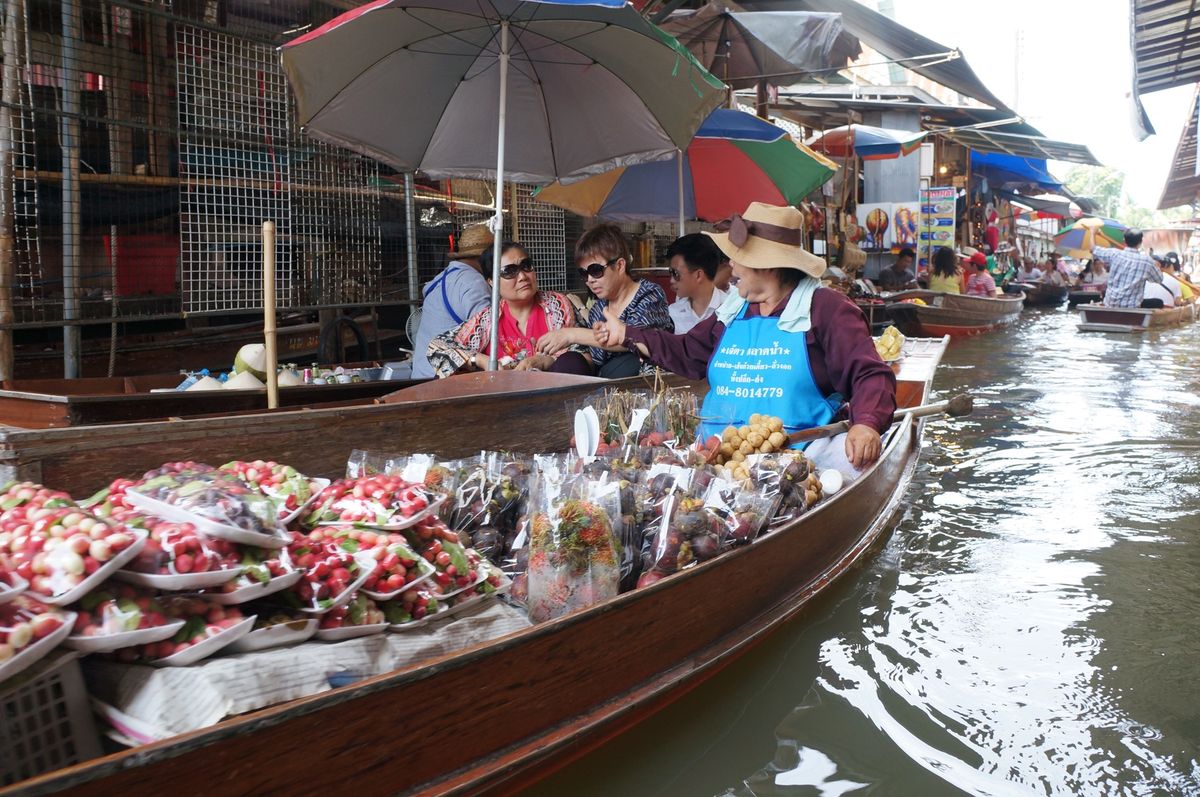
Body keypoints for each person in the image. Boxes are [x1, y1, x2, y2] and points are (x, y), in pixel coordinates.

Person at [593, 201, 897, 478]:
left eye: (738, 259)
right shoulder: (733, 309)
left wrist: (866, 423)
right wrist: (628, 334)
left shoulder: (826, 308)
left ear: (766, 265)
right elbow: (688, 352)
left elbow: (869, 374)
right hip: (719, 457)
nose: (731, 267)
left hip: (801, 460)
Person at [425, 242, 586, 377]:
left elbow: (584, 357)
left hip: (554, 397)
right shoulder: (488, 319)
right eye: (509, 271)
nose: (522, 276)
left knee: (572, 361)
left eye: (526, 266)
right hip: (503, 401)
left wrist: (546, 360)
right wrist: (483, 361)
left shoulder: (558, 305)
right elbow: (437, 347)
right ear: (491, 281)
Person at [535, 223, 672, 378]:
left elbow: (640, 339)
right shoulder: (597, 310)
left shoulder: (649, 294)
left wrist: (571, 334)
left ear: (620, 265)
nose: (590, 280)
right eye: (584, 273)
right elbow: (594, 360)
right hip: (607, 391)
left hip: (646, 386)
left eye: (596, 270)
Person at [411, 224, 494, 379]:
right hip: (442, 379)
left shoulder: (442, 277)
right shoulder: (474, 283)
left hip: (420, 374)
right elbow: (488, 333)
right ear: (486, 258)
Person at [666, 234, 728, 334]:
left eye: (675, 273)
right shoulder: (672, 314)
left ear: (698, 275)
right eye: (670, 272)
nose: (671, 280)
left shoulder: (731, 311)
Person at [1090, 226, 1163, 308]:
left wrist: (1092, 233)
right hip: (1132, 306)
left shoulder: (1115, 254)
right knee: (1159, 302)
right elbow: (1159, 279)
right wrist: (1157, 267)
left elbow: (1093, 249)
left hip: (1110, 304)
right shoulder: (1147, 261)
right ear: (1141, 242)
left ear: (1124, 240)